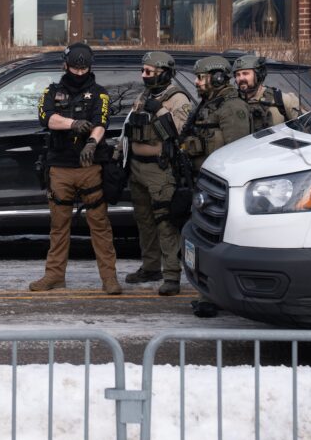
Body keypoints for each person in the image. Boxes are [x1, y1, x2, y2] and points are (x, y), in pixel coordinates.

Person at [30, 43, 122, 295]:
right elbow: (47, 118)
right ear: (65, 65)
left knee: (100, 225)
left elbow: (101, 122)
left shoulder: (100, 93)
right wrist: (73, 123)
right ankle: (54, 275)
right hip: (60, 166)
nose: (79, 73)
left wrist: (92, 142)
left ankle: (109, 279)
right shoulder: (51, 91)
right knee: (59, 227)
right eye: (75, 68)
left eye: (84, 69)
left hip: (89, 167)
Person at [123, 52, 193, 296]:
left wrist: (161, 111)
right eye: (143, 71)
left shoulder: (177, 98)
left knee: (165, 221)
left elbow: (178, 131)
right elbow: (129, 127)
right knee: (144, 221)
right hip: (138, 167)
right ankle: (151, 266)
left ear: (163, 72)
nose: (144, 76)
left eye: (149, 72)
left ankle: (172, 274)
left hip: (160, 168)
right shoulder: (145, 96)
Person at [182, 56, 252, 177]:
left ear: (217, 78)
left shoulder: (232, 107)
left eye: (200, 77)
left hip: (218, 178)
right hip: (200, 175)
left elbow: (236, 154)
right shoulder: (209, 103)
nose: (195, 82)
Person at [232, 54, 301, 132]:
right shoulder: (231, 102)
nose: (241, 78)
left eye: (245, 73)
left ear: (258, 75)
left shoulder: (281, 99)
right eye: (237, 75)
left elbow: (306, 129)